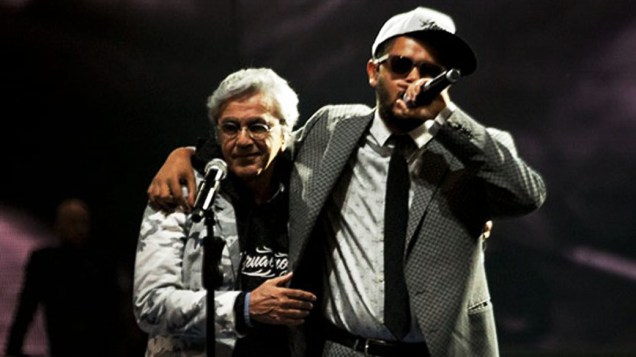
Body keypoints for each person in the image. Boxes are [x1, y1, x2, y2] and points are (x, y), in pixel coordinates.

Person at [147, 7, 547, 357]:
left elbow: (526, 196)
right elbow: (258, 149)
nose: (415, 80)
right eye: (402, 65)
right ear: (374, 71)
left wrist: (447, 118)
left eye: (431, 71)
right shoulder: (330, 130)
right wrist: (187, 154)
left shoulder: (478, 148)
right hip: (343, 348)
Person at [133, 67, 317, 357]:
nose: (243, 140)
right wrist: (245, 308)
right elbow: (150, 306)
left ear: (285, 134)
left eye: (258, 126)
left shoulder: (309, 195)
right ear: (217, 133)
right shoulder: (182, 191)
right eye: (230, 127)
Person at [4, 198, 122, 357]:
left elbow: (113, 314)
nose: (79, 229)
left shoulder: (102, 263)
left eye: (83, 222)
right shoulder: (45, 261)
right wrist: (13, 350)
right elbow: (25, 310)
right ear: (58, 226)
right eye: (73, 223)